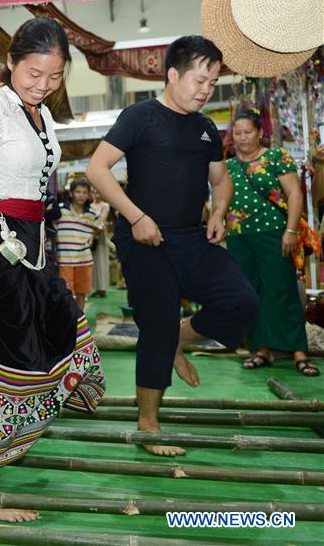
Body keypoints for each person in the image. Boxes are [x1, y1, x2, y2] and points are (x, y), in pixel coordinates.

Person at [0, 18, 105, 523]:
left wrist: (42, 250)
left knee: (62, 326)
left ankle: (12, 436)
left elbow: (35, 191)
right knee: (5, 349)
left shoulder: (42, 117)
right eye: (34, 73)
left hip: (29, 243)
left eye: (54, 77)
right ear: (10, 62)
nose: (43, 85)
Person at [86, 36, 259, 457]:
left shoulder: (205, 128)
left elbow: (221, 180)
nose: (205, 90)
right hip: (144, 239)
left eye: (213, 82)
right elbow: (96, 168)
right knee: (157, 324)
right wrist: (137, 216)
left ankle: (179, 338)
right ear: (173, 74)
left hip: (191, 238)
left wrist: (218, 213)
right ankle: (148, 424)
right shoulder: (139, 117)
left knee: (242, 302)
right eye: (200, 80)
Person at [225, 109, 318, 376]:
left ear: (260, 133)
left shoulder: (276, 156)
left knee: (283, 289)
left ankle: (299, 352)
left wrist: (290, 230)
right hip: (238, 236)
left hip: (274, 232)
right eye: (238, 133)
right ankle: (261, 349)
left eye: (248, 132)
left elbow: (294, 193)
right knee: (250, 293)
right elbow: (220, 201)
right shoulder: (228, 166)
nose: (242, 138)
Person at [56, 177, 101, 310]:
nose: (81, 195)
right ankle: (66, 323)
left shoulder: (91, 215)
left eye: (84, 192)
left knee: (81, 293)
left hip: (84, 260)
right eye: (78, 191)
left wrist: (93, 235)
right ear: (71, 193)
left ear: (88, 195)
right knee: (65, 293)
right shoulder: (61, 211)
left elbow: (101, 228)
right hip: (64, 260)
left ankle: (79, 323)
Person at [90, 187, 112, 298]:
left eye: (98, 192)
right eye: (94, 192)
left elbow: (102, 220)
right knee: (92, 262)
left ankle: (102, 288)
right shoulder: (89, 206)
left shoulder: (105, 206)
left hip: (101, 237)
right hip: (90, 236)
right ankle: (95, 287)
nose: (96, 195)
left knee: (102, 261)